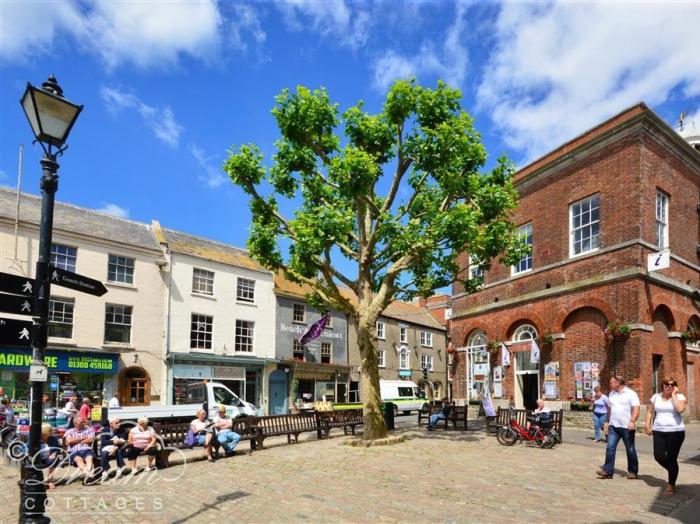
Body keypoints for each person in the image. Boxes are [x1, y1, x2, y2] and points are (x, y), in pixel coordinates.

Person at [644, 376, 687, 494]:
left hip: (676, 431)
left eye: (672, 385)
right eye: (667, 384)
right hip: (658, 431)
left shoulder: (680, 397)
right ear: (662, 385)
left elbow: (680, 409)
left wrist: (674, 395)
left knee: (672, 458)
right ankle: (673, 471)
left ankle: (671, 484)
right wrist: (647, 425)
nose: (669, 387)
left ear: (675, 387)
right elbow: (649, 411)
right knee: (659, 456)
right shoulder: (656, 397)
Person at [597, 376, 640, 480]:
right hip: (614, 426)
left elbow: (636, 408)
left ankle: (633, 471)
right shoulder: (611, 394)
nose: (610, 384)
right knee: (610, 448)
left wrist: (632, 421)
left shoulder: (631, 394)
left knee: (630, 450)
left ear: (618, 383)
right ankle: (608, 471)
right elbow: (610, 409)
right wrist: (607, 422)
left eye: (611, 382)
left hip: (627, 427)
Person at [64, 416, 95, 484]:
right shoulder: (69, 431)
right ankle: (89, 475)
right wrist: (82, 439)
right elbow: (69, 441)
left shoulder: (89, 430)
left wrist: (75, 440)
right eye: (81, 422)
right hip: (74, 451)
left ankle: (87, 476)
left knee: (90, 458)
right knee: (78, 460)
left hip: (86, 450)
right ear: (75, 423)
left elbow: (90, 440)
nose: (84, 423)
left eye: (83, 422)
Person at [38, 423, 61, 489]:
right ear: (45, 432)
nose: (52, 431)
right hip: (39, 459)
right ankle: (37, 481)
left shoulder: (53, 438)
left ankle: (50, 480)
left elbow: (57, 449)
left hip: (49, 458)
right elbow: (28, 447)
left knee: (54, 460)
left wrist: (54, 454)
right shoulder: (36, 439)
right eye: (50, 430)